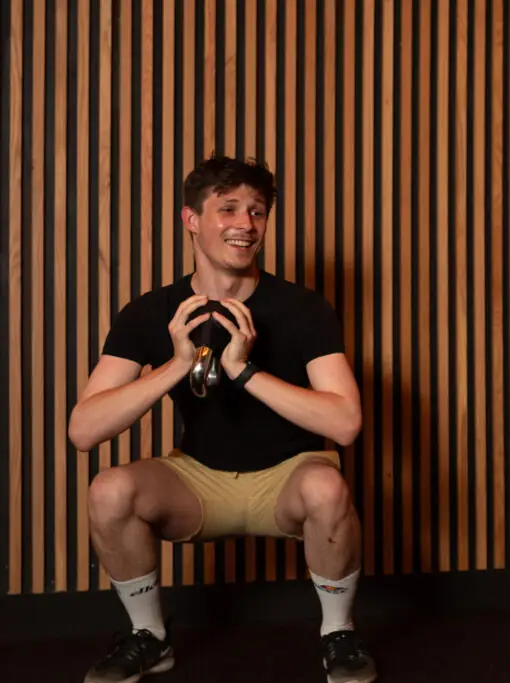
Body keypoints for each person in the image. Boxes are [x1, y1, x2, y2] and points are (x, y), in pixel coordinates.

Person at [68, 156, 377, 683]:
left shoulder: (303, 308)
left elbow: (345, 423)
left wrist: (243, 370)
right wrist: (176, 365)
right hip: (198, 478)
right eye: (228, 208)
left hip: (289, 476)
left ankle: (338, 633)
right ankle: (149, 637)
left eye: (257, 212)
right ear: (191, 219)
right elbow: (83, 430)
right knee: (108, 490)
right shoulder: (152, 312)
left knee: (327, 486)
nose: (246, 224)